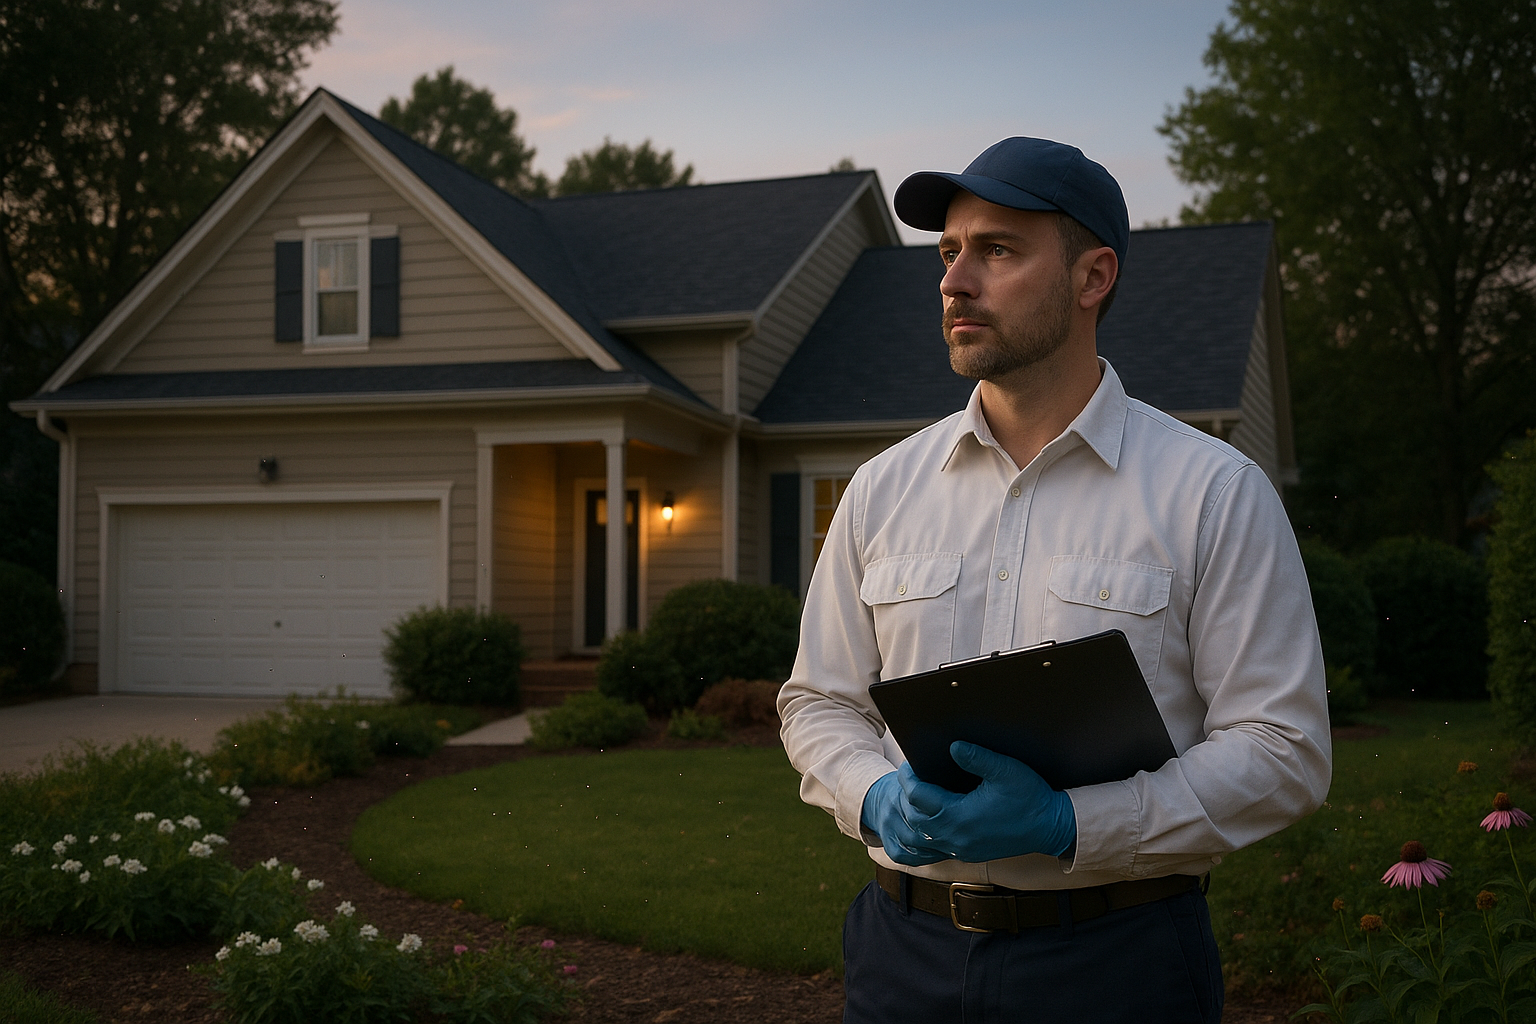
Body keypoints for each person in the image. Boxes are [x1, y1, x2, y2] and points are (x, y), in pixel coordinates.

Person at [777, 137, 1332, 1024]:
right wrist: (871, 794)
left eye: (997, 251)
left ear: (1092, 277)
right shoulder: (883, 489)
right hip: (900, 959)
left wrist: (1074, 823)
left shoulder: (1210, 492)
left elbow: (1284, 749)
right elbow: (818, 703)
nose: (956, 281)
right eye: (950, 252)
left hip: (1118, 963)